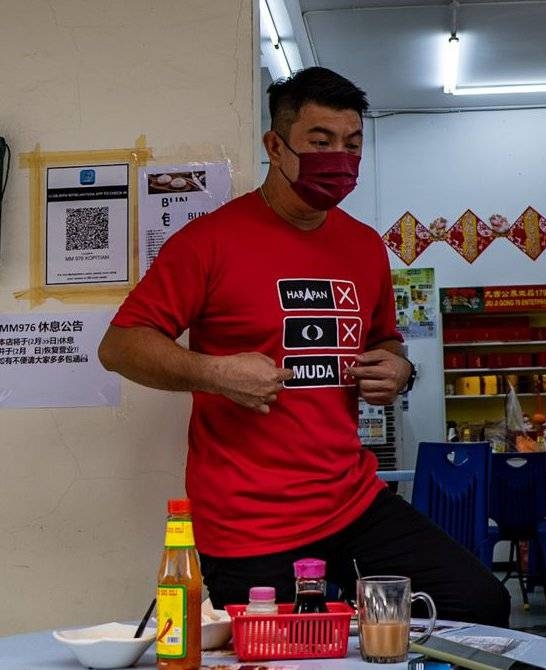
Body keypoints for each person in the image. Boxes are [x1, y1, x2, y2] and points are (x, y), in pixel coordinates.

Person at [99, 67, 509, 626]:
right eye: (320, 142)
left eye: (352, 144)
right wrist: (215, 373)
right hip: (249, 522)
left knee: (477, 603)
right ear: (275, 146)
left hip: (352, 500)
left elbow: (384, 339)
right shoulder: (209, 241)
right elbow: (120, 345)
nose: (339, 158)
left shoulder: (363, 245)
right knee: (284, 655)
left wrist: (399, 368)